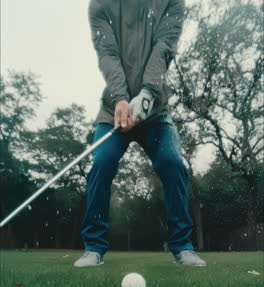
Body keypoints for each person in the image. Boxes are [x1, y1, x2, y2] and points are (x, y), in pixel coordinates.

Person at [74, 0, 206, 267]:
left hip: (155, 110)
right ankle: (94, 248)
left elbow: (164, 47)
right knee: (101, 163)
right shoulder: (100, 5)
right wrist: (122, 98)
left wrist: (147, 92)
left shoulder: (172, 2)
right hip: (114, 110)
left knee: (172, 162)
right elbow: (107, 54)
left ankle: (182, 246)